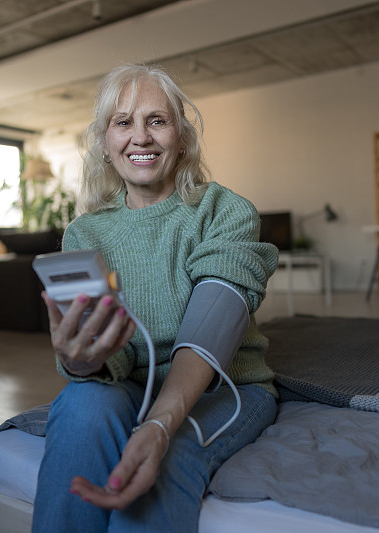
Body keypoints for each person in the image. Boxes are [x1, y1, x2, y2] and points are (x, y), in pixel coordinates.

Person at [31, 64, 279, 533]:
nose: (139, 137)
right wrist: (84, 360)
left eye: (157, 121)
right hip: (131, 383)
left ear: (182, 137)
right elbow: (111, 356)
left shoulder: (224, 210)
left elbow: (212, 327)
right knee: (81, 406)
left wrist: (160, 425)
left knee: (164, 459)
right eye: (122, 123)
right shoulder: (84, 233)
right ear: (105, 143)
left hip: (224, 387)